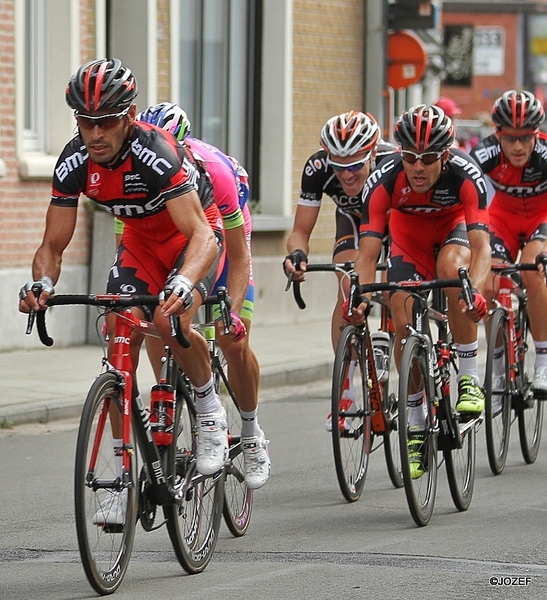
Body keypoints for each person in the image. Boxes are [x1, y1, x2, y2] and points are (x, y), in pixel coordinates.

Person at [18, 58, 229, 524]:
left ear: (129, 116)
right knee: (118, 338)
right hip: (139, 243)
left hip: (191, 239)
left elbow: (202, 236)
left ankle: (210, 409)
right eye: (86, 121)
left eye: (107, 121)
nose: (96, 133)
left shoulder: (156, 154)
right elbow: (52, 243)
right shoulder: (74, 161)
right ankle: (119, 480)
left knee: (169, 320)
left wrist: (183, 280)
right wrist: (42, 282)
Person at [349, 104, 491, 479]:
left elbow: (482, 249)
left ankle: (469, 378)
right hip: (409, 236)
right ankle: (414, 421)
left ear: (445, 155)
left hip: (453, 229)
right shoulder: (382, 181)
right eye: (410, 157)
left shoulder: (465, 175)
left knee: (452, 272)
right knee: (401, 311)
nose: (418, 167)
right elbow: (367, 253)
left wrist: (473, 292)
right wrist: (360, 295)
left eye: (428, 158)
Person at [135, 102, 270, 489]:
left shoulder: (217, 173)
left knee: (232, 338)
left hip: (222, 240)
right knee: (158, 324)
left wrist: (231, 308)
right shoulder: (136, 170)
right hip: (170, 237)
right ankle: (173, 396)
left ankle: (251, 429)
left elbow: (237, 251)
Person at [282, 111, 395, 431]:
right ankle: (345, 393)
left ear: (372, 153)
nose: (346, 174)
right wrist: (297, 254)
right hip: (354, 221)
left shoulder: (392, 163)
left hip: (394, 220)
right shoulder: (317, 168)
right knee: (348, 287)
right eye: (339, 165)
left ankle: (400, 341)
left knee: (393, 286)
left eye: (355, 165)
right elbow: (300, 230)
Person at [470, 89, 547, 395]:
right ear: (498, 133)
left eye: (526, 138)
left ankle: (542, 360)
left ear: (536, 135)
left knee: (532, 272)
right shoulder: (484, 154)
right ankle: (499, 364)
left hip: (540, 217)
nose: (518, 146)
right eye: (511, 138)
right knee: (489, 283)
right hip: (502, 218)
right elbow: (468, 201)